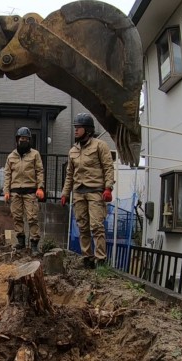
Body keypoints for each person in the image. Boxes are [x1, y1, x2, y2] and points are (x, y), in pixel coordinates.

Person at [60, 112, 114, 269]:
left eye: (79, 127)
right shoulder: (73, 151)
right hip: (78, 193)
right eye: (75, 127)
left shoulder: (100, 146)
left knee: (97, 226)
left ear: (88, 130)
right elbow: (69, 174)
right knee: (82, 226)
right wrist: (65, 193)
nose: (75, 130)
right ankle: (87, 258)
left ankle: (101, 260)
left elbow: (108, 167)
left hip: (96, 191)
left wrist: (108, 187)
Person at [3, 127, 45, 254]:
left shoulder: (35, 154)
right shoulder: (11, 156)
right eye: (21, 139)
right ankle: (20, 242)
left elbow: (39, 171)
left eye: (26, 139)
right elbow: (7, 175)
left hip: (31, 192)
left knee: (32, 218)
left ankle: (34, 245)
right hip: (15, 191)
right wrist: (6, 191)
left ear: (29, 140)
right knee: (17, 217)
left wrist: (40, 187)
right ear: (17, 140)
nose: (24, 141)